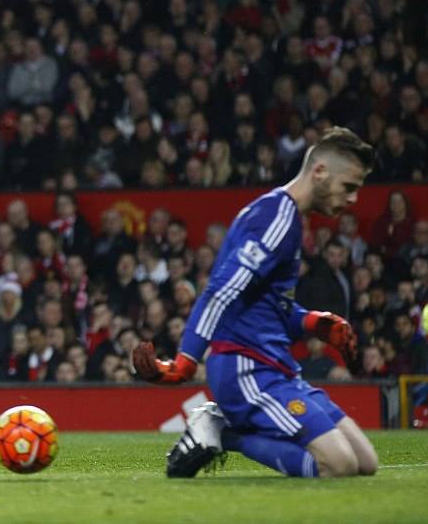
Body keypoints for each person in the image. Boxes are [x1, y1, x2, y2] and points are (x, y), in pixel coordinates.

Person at [133, 127, 379, 479]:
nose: (353, 199)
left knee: (365, 463)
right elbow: (221, 291)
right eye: (349, 187)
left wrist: (314, 323)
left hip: (277, 368)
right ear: (320, 172)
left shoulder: (286, 219)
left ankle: (226, 428)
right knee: (337, 466)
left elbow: (267, 306)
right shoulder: (277, 218)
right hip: (247, 368)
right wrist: (185, 362)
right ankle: (224, 431)